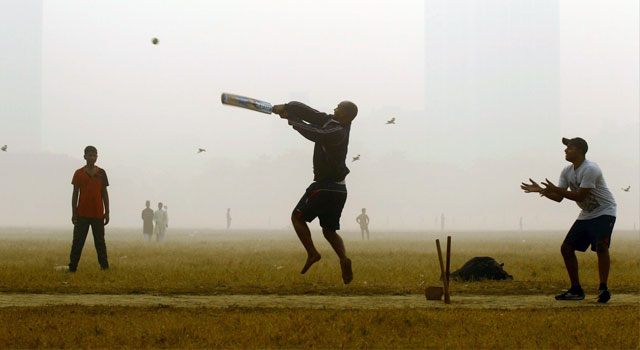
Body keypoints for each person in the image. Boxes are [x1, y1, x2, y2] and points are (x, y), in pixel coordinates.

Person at [271, 100, 358, 284]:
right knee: (329, 231)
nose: (334, 108)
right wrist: (288, 107)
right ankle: (343, 259)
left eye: (338, 108)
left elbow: (315, 133)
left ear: (345, 115)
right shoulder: (332, 123)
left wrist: (291, 119)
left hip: (324, 186)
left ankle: (312, 253)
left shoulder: (337, 132)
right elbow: (312, 114)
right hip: (340, 189)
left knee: (297, 217)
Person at [521, 137, 616, 303]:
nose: (565, 150)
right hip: (587, 213)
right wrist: (541, 190)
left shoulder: (590, 169)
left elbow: (580, 195)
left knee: (601, 246)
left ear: (580, 150)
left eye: (569, 147)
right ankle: (576, 290)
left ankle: (603, 288)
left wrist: (555, 189)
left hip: (604, 211)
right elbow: (559, 197)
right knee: (566, 248)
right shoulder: (567, 171)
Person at [68, 145, 110, 272]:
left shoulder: (101, 173)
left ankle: (105, 267)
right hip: (82, 214)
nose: (92, 157)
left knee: (100, 243)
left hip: (98, 214)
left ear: (97, 157)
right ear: (85, 157)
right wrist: (74, 213)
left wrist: (107, 212)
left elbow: (104, 193)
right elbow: (75, 193)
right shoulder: (79, 173)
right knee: (77, 242)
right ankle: (72, 268)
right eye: (89, 155)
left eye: (94, 155)